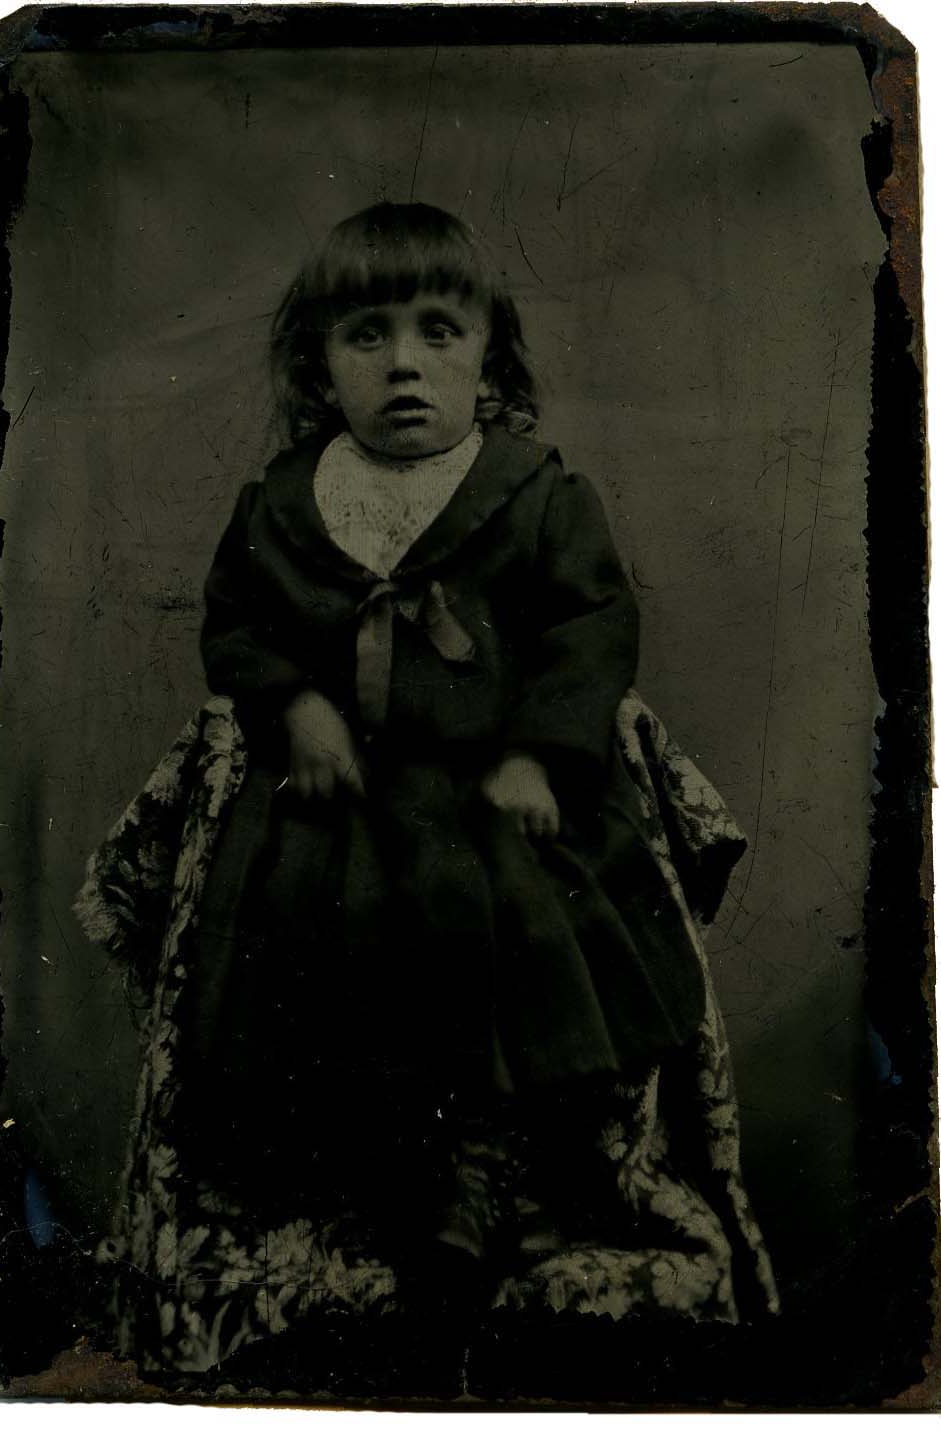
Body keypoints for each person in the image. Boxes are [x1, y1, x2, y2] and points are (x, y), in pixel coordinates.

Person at [177, 201, 709, 1302]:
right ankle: (399, 1172)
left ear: (488, 357)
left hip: (486, 788)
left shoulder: (534, 493)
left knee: (508, 921)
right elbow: (237, 625)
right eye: (366, 335)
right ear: (320, 368)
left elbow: (589, 631)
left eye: (437, 331)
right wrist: (296, 705)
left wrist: (538, 755)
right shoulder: (285, 504)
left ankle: (502, 1165)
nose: (403, 365)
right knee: (322, 937)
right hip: (350, 795)